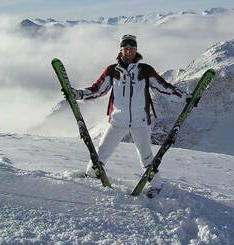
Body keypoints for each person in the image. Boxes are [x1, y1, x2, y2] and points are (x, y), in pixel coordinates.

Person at [69, 34, 188, 196]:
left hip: (141, 122)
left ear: (136, 50)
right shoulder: (112, 71)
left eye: (132, 48)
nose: (129, 51)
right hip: (117, 121)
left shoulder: (145, 70)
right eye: (126, 48)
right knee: (102, 151)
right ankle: (91, 175)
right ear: (121, 50)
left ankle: (156, 185)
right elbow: (98, 89)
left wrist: (184, 96)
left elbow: (163, 86)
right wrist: (79, 94)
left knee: (146, 157)